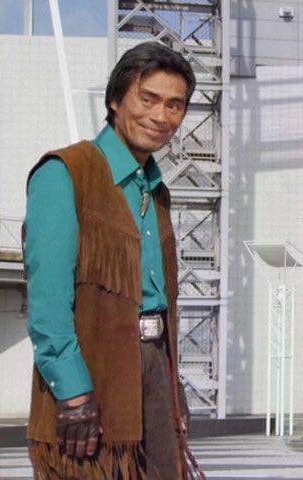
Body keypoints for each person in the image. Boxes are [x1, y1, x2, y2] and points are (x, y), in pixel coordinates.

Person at [24, 42, 202, 478]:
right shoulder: (65, 172)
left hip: (153, 369)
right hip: (92, 372)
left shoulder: (155, 190)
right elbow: (48, 302)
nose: (161, 116)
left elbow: (161, 302)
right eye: (148, 99)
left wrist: (170, 380)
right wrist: (73, 392)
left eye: (175, 105)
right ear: (115, 100)